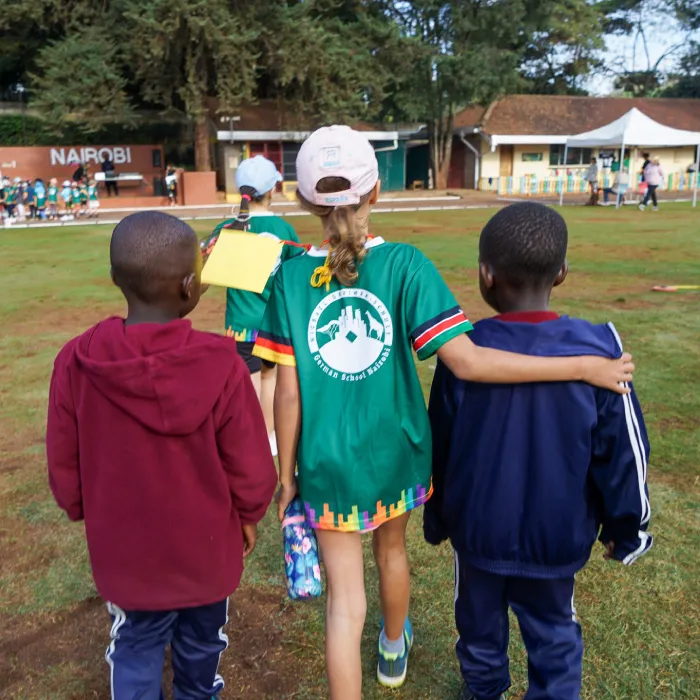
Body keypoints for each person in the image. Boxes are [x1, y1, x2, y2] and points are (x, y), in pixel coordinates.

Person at [253, 126, 635, 700]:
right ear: (375, 191)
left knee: (343, 604)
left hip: (325, 462)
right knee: (392, 552)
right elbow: (470, 362)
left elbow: (288, 393)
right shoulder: (406, 264)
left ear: (305, 201)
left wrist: (286, 477)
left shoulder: (286, 278)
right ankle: (392, 648)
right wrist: (582, 366)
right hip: (397, 453)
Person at [424, 202, 652, 700]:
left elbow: (437, 442)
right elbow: (623, 454)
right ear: (562, 272)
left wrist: (437, 515)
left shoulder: (470, 350)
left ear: (485, 275)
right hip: (555, 533)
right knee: (552, 636)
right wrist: (626, 527)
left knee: (478, 628)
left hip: (479, 529)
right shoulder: (590, 352)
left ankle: (482, 689)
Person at [46, 211, 277, 699]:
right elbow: (252, 466)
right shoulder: (223, 364)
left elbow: (64, 462)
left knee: (136, 643)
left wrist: (78, 505)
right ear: (192, 286)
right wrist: (249, 514)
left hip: (125, 550)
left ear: (116, 279)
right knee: (202, 640)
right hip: (206, 547)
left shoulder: (76, 360)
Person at [201, 155, 302, 457]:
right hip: (275, 326)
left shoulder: (227, 228)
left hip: (240, 326)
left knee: (250, 385)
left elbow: (202, 270)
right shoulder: (284, 230)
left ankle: (253, 442)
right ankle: (268, 441)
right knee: (270, 379)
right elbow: (295, 279)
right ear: (273, 190)